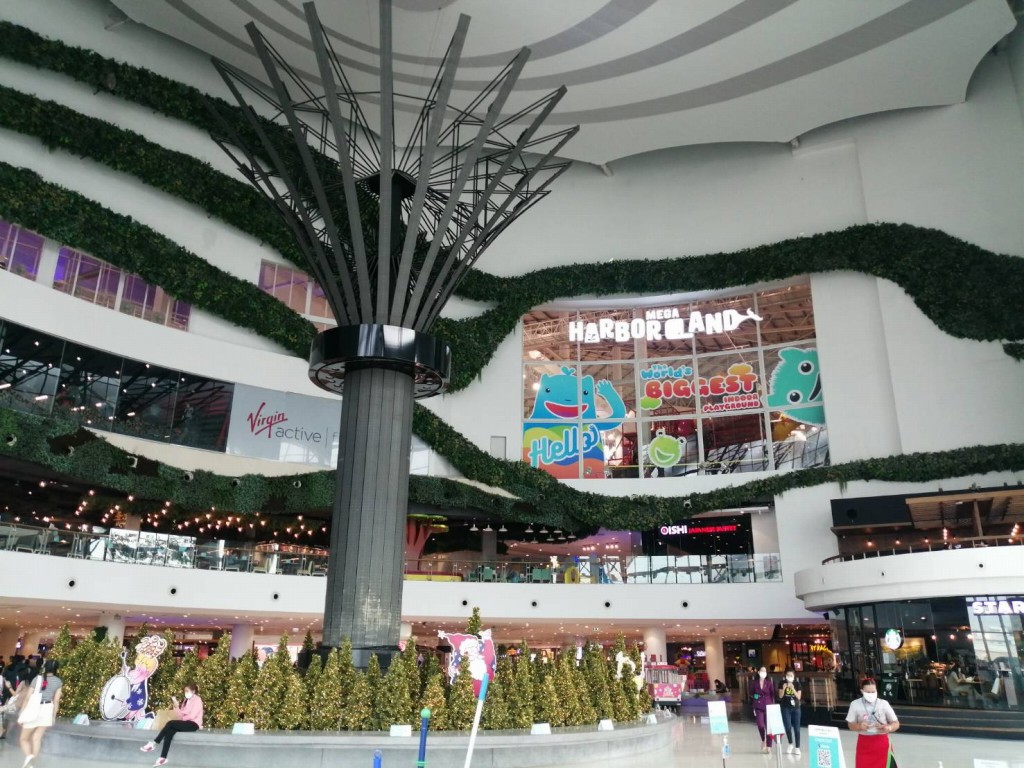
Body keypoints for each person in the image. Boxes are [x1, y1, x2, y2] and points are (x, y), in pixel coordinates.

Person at [140, 682, 204, 766]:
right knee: (170, 732)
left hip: (194, 724)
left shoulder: (197, 700)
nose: (186, 693)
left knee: (170, 723)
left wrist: (182, 719)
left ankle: (154, 743)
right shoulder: (185, 701)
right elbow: (180, 715)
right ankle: (163, 757)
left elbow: (192, 715)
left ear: (193, 691)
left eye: (187, 691)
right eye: (185, 691)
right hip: (186, 722)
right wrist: (176, 706)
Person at [846, 678, 900, 768]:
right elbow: (850, 725)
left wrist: (888, 727)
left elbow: (896, 723)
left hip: (882, 743)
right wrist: (859, 726)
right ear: (862, 691)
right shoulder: (855, 704)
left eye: (873, 691)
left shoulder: (883, 704)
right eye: (868, 692)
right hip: (864, 744)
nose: (871, 694)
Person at [18, 659, 62, 768]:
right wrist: (53, 716)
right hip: (47, 709)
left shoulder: (37, 679)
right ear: (56, 669)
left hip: (34, 709)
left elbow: (28, 698)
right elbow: (56, 700)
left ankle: (29, 757)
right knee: (36, 738)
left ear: (45, 667)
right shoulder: (58, 681)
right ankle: (32, 764)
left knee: (23, 739)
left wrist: (22, 712)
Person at [749, 666, 775, 753]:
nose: (763, 672)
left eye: (765, 671)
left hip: (768, 705)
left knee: (769, 726)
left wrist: (771, 703)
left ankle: (769, 745)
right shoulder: (754, 683)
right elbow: (751, 694)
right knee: (760, 724)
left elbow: (772, 694)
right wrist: (757, 697)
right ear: (759, 672)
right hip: (758, 706)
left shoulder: (769, 683)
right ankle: (763, 739)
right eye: (762, 671)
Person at [778, 668, 802, 756]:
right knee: (787, 726)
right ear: (785, 676)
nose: (789, 677)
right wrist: (784, 689)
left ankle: (797, 747)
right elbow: (780, 696)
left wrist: (793, 689)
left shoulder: (797, 684)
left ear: (794, 676)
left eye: (791, 675)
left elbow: (798, 697)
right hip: (785, 707)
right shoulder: (782, 683)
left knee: (797, 728)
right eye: (788, 675)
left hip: (796, 708)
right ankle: (790, 743)